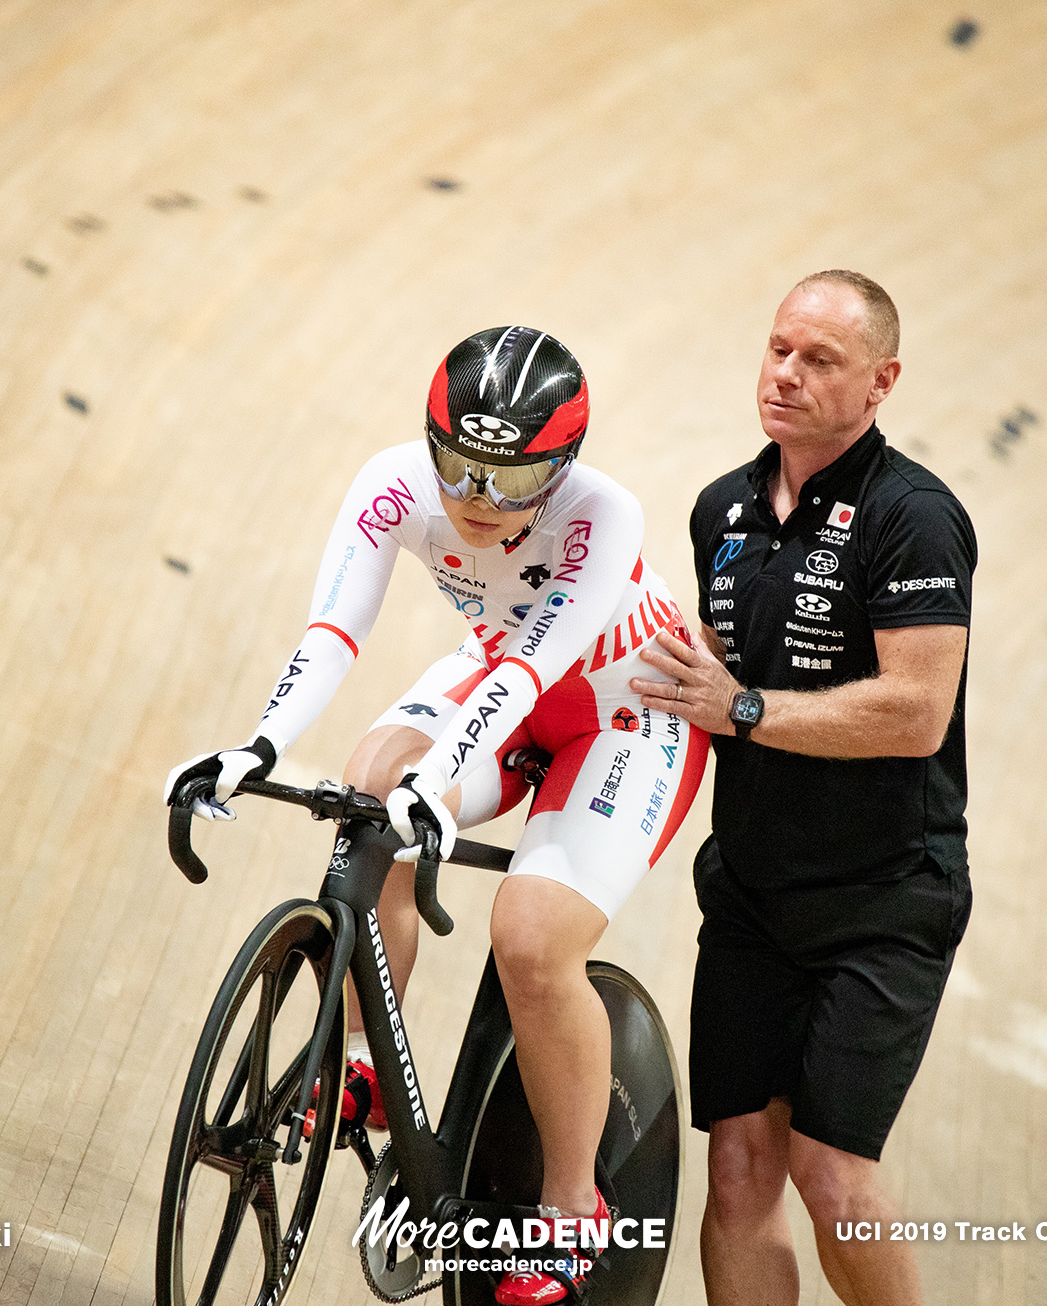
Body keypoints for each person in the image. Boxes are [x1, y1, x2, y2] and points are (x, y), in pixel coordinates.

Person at [169, 326, 710, 1305]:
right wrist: (254, 745)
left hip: (624, 712)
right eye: (456, 466)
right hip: (502, 671)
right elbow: (333, 630)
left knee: (532, 936)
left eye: (510, 482)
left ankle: (569, 1205)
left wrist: (447, 776)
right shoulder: (393, 483)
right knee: (371, 776)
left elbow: (531, 668)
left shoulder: (604, 514)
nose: (474, 499)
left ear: (564, 468)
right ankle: (371, 1061)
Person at [629, 271, 975, 1306]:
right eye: (779, 348)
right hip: (750, 896)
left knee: (831, 1174)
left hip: (881, 903)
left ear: (881, 382)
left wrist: (742, 709)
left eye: (818, 359)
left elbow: (915, 712)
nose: (784, 373)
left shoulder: (911, 517)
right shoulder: (720, 510)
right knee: (736, 1171)